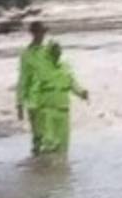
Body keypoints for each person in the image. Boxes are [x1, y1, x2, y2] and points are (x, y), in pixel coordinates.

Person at [17, 23, 88, 161]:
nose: (41, 35)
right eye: (38, 32)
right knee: (43, 140)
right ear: (32, 33)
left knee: (58, 143)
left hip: (56, 103)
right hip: (37, 102)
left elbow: (67, 79)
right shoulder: (27, 55)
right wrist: (20, 103)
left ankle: (53, 172)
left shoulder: (48, 53)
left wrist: (81, 92)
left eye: (43, 32)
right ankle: (40, 169)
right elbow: (23, 80)